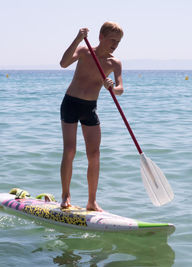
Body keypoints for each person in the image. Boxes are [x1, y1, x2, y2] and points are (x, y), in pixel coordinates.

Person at [59, 21, 124, 211]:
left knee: (94, 154)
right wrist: (78, 38)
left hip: (90, 108)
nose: (115, 44)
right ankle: (65, 195)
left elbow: (120, 89)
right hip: (71, 103)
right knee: (70, 150)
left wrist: (113, 87)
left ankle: (92, 201)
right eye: (112, 40)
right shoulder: (84, 51)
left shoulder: (114, 63)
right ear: (101, 37)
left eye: (118, 42)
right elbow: (63, 63)